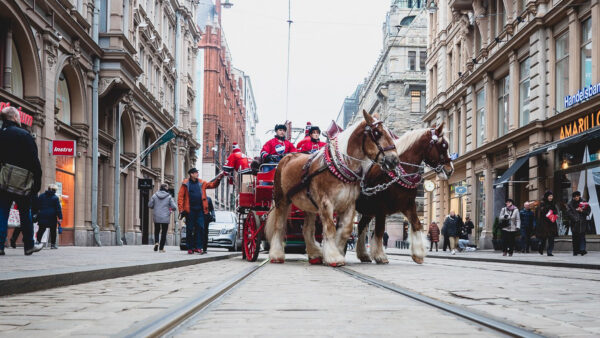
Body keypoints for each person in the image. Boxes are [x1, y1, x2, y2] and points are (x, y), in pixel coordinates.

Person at [0, 107, 43, 256]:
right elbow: (34, 161)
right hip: (22, 182)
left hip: (3, 180)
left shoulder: (1, 134)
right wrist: (36, 183)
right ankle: (29, 246)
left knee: (2, 212)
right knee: (25, 213)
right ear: (14, 118)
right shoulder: (25, 135)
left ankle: (0, 246)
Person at [178, 168, 224, 255]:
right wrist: (181, 209)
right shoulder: (185, 184)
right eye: (196, 173)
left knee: (201, 228)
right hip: (190, 210)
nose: (197, 174)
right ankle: (190, 248)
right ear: (191, 174)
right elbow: (180, 197)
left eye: (197, 173)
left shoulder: (202, 183)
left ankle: (198, 247)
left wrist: (218, 179)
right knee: (189, 229)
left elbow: (213, 185)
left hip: (200, 210)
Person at [148, 183, 177, 253]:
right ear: (166, 188)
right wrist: (170, 209)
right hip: (165, 217)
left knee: (157, 230)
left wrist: (155, 207)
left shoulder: (154, 195)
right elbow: (174, 207)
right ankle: (161, 248)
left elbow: (150, 205)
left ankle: (156, 242)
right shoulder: (169, 197)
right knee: (164, 232)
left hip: (156, 216)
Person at [34, 184, 63, 249]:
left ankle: (38, 241)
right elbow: (58, 208)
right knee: (53, 231)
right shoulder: (55, 198)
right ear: (54, 190)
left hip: (42, 215)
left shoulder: (41, 196)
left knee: (41, 229)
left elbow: (37, 205)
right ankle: (53, 245)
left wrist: (37, 212)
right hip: (52, 216)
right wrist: (60, 217)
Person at [567, 191, 590, 256]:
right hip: (574, 223)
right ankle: (575, 251)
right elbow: (569, 213)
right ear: (573, 197)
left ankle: (582, 250)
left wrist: (582, 211)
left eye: (577, 196)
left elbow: (588, 211)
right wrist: (575, 219)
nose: (576, 197)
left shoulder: (584, 202)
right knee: (575, 237)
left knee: (582, 236)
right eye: (575, 196)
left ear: (579, 196)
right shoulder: (570, 204)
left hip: (582, 223)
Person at [537, 191, 558, 256]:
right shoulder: (542, 203)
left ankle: (549, 251)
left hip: (552, 223)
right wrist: (548, 209)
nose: (551, 197)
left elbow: (556, 211)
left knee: (551, 238)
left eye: (551, 196)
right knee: (544, 238)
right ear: (546, 197)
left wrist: (553, 212)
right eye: (549, 196)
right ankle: (541, 248)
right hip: (544, 224)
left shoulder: (553, 203)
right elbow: (541, 212)